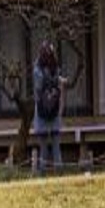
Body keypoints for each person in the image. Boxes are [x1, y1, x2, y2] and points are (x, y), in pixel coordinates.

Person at [33, 41, 67, 170]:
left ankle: (42, 172)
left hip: (42, 108)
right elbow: (59, 86)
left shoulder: (37, 69)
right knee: (56, 146)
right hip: (54, 108)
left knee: (43, 147)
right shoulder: (56, 68)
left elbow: (38, 87)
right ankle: (59, 171)